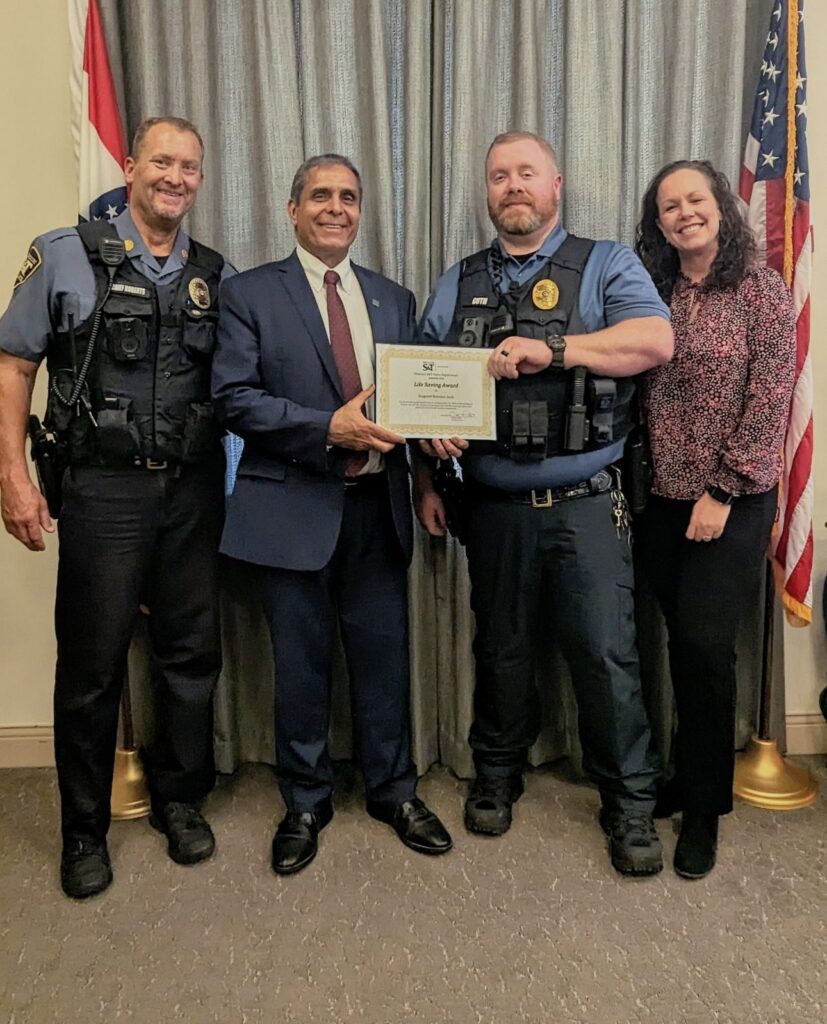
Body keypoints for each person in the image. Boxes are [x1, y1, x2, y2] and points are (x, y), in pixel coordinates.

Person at [417, 130, 674, 876]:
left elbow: (653, 341)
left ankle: (628, 802)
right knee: (499, 649)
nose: (513, 186)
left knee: (605, 655)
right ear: (487, 192)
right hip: (491, 505)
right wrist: (427, 458)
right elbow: (421, 375)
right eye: (499, 176)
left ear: (555, 185)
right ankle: (496, 773)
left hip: (586, 503)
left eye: (526, 172)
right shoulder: (458, 280)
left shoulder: (606, 264)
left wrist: (554, 350)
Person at [0, 117, 235, 900]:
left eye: (189, 167)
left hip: (191, 491)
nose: (175, 177)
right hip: (104, 492)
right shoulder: (64, 253)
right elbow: (14, 363)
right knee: (93, 665)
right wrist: (11, 477)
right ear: (130, 166)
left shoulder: (212, 273)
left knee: (189, 655)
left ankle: (179, 801)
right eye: (162, 161)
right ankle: (83, 830)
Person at [212, 154, 452, 876]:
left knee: (384, 662)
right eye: (320, 195)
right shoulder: (249, 294)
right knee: (301, 667)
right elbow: (234, 398)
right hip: (290, 509)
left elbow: (415, 398)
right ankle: (305, 802)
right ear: (293, 209)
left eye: (348, 196)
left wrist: (432, 458)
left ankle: (393, 791)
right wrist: (327, 428)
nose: (335, 208)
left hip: (378, 510)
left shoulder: (393, 298)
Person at [634, 159, 795, 878]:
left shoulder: (760, 288)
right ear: (658, 223)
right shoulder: (652, 289)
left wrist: (723, 491)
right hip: (659, 499)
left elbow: (771, 397)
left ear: (721, 207)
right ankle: (684, 773)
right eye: (668, 206)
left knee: (705, 648)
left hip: (729, 501)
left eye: (694, 200)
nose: (683, 214)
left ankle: (704, 809)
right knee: (679, 646)